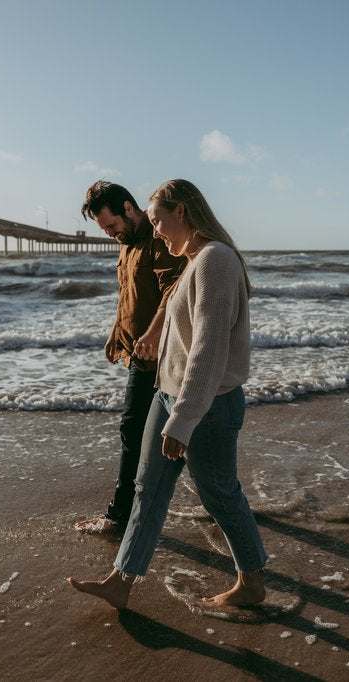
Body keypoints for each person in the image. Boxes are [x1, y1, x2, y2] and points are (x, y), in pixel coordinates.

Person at [68, 179, 266, 609]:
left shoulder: (215, 260)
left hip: (207, 403)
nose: (155, 230)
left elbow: (209, 349)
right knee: (148, 487)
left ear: (182, 212)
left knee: (219, 495)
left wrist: (184, 418)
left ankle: (251, 580)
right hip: (168, 394)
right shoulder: (194, 260)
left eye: (158, 220)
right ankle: (120, 581)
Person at [75, 181, 185, 534]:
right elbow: (127, 292)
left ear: (127, 208)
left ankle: (118, 516)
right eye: (104, 229)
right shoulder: (126, 244)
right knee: (169, 434)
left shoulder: (158, 238)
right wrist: (115, 331)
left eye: (111, 225)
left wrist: (152, 333)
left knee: (136, 430)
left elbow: (173, 291)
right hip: (138, 351)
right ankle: (221, 502)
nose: (110, 234)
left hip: (162, 356)